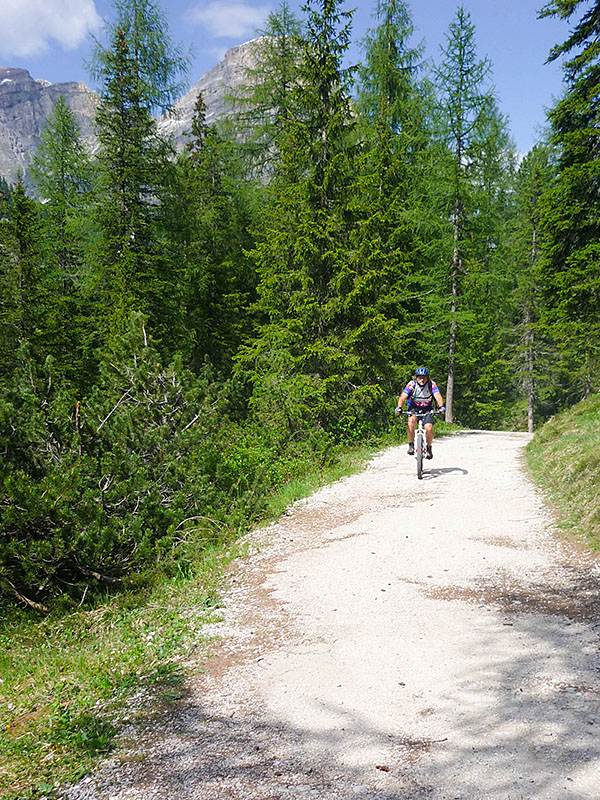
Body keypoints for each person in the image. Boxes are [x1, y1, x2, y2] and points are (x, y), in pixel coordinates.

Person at [395, 367, 445, 459]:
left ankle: (429, 448)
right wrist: (399, 407)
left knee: (429, 428)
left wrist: (441, 407)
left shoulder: (431, 385)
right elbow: (402, 397)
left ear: (428, 377)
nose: (422, 379)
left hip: (427, 409)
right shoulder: (412, 385)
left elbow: (438, 396)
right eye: (419, 377)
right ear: (416, 377)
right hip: (414, 408)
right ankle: (411, 444)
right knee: (411, 422)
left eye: (424, 377)